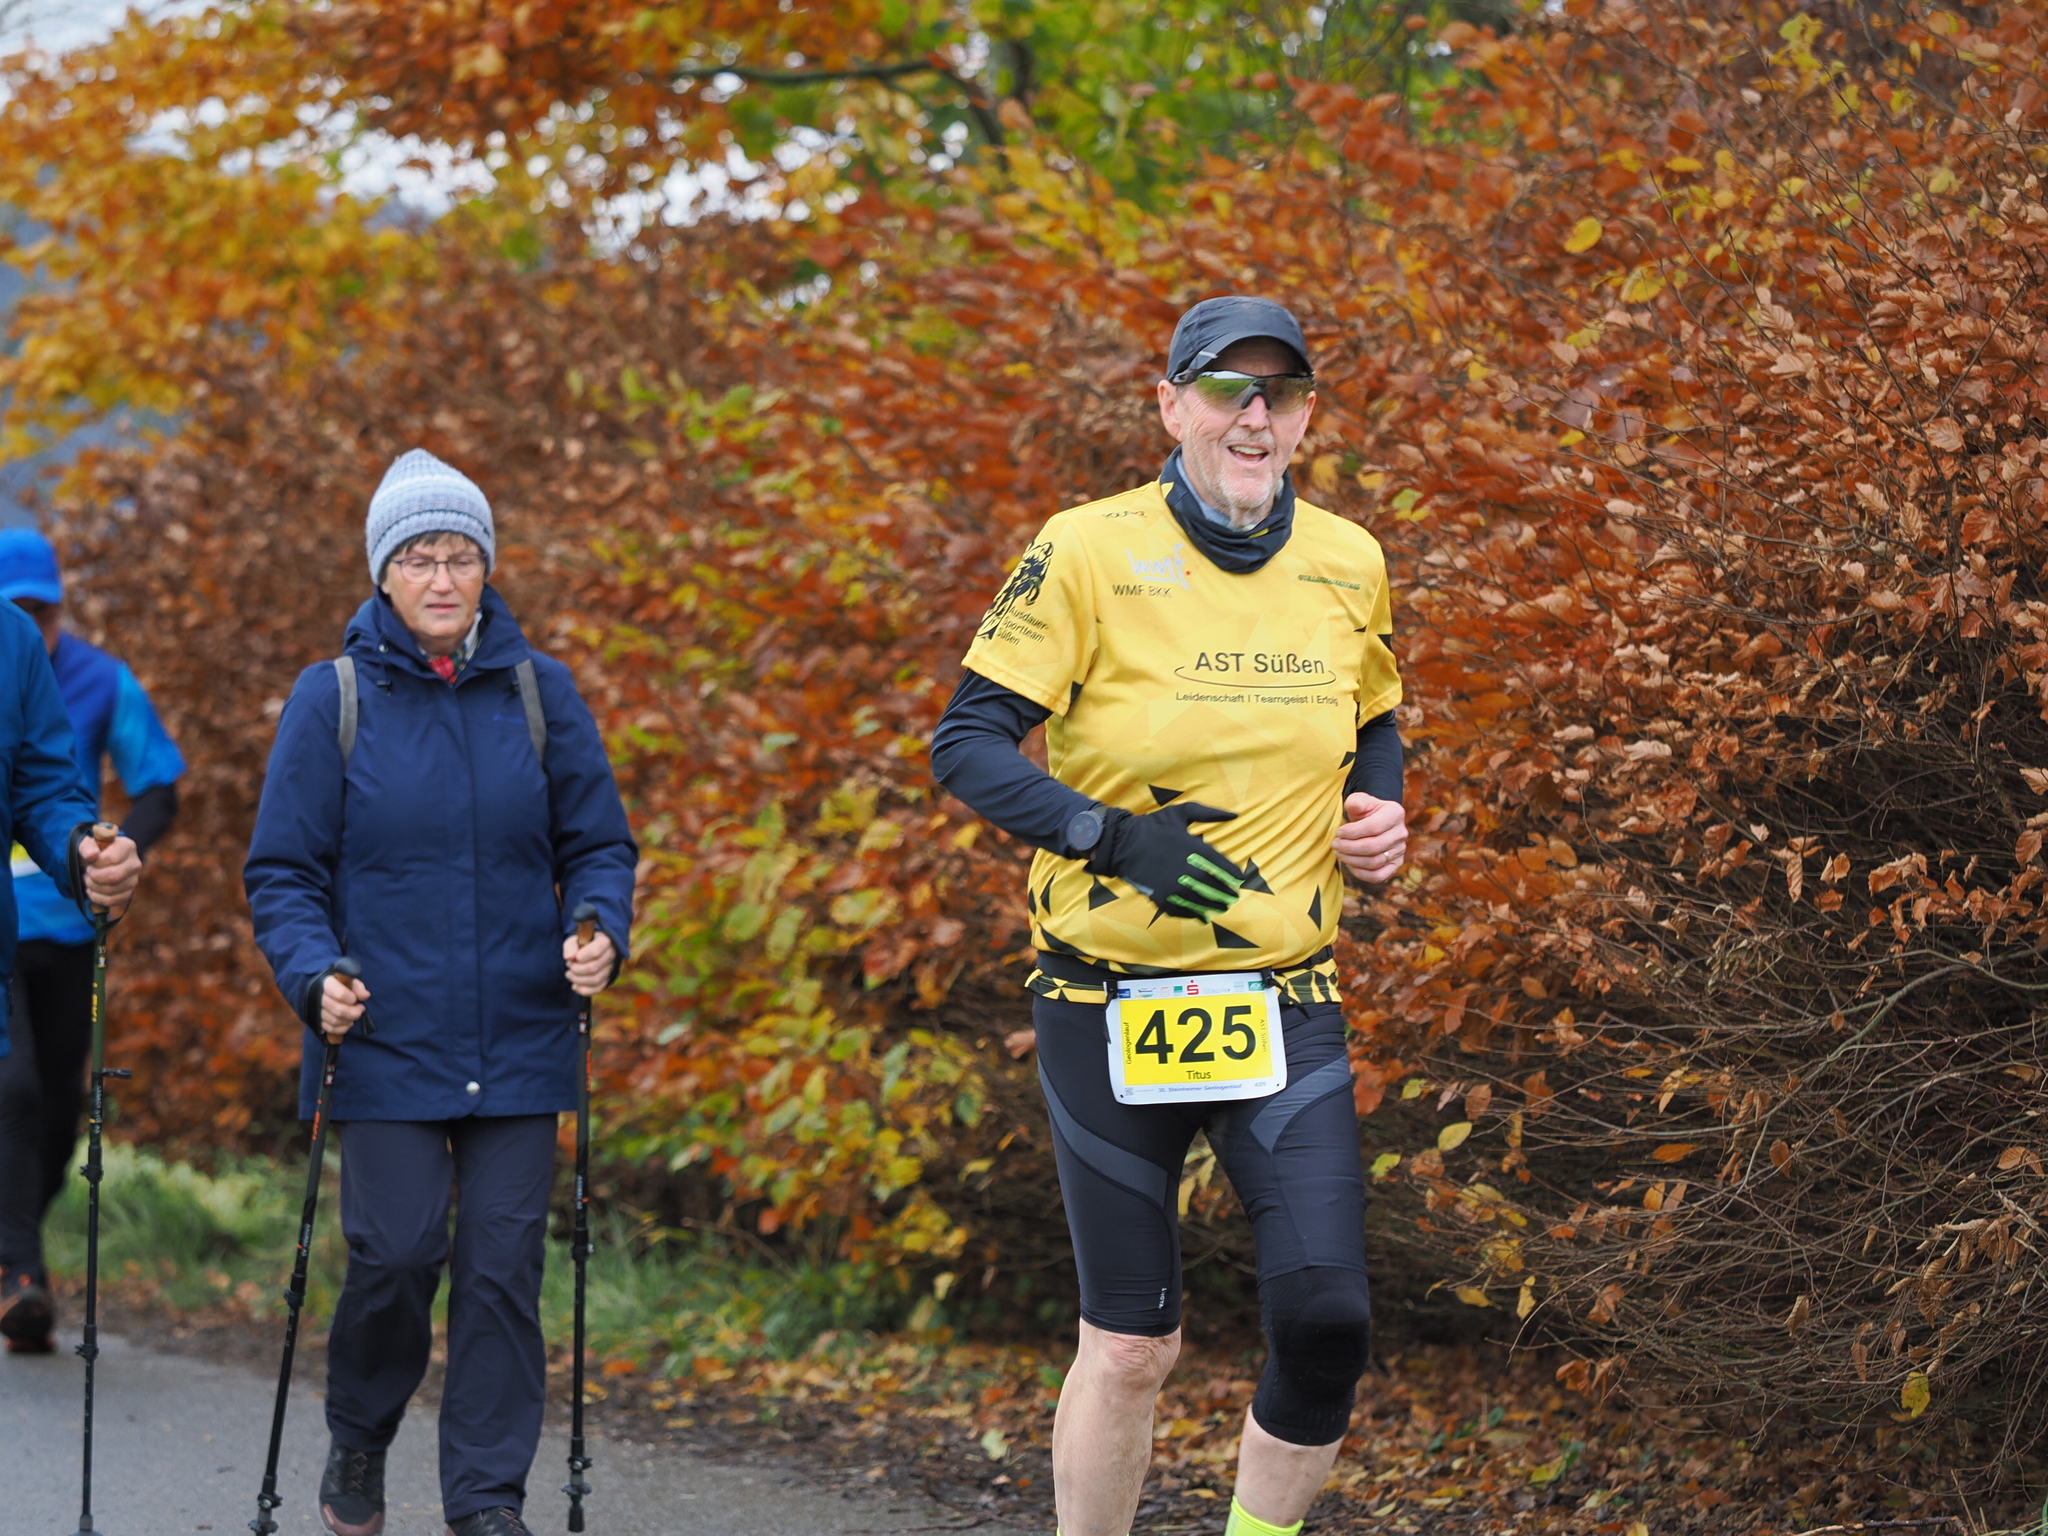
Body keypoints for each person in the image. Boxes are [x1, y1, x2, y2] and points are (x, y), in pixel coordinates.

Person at [930, 296, 1409, 1536]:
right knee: (1132, 1344)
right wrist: (1114, 839)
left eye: (1278, 394)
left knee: (1327, 1321)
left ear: (1303, 418)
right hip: (1105, 1002)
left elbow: (1373, 718)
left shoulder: (1347, 559)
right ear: (1169, 406)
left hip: (1281, 1000)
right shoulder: (1086, 550)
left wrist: (1378, 812)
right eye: (1225, 390)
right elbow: (965, 743)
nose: (1253, 417)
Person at [244, 449, 637, 1536]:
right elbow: (282, 872)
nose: (441, 578)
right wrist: (313, 975)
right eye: (418, 558)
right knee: (398, 1254)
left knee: (503, 1272)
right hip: (382, 1035)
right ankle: (360, 1434)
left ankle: (485, 1501)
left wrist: (598, 927)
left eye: (460, 556)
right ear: (383, 573)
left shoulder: (539, 691)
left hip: (521, 1034)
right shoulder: (332, 699)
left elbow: (599, 845)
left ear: (486, 568)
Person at [0, 529, 183, 1354]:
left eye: (44, 609)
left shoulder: (93, 675)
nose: (33, 622)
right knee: (13, 1091)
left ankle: (16, 1251)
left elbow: (142, 786)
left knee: (53, 1107)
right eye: (20, 606)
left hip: (64, 925)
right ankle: (20, 1269)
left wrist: (99, 851)